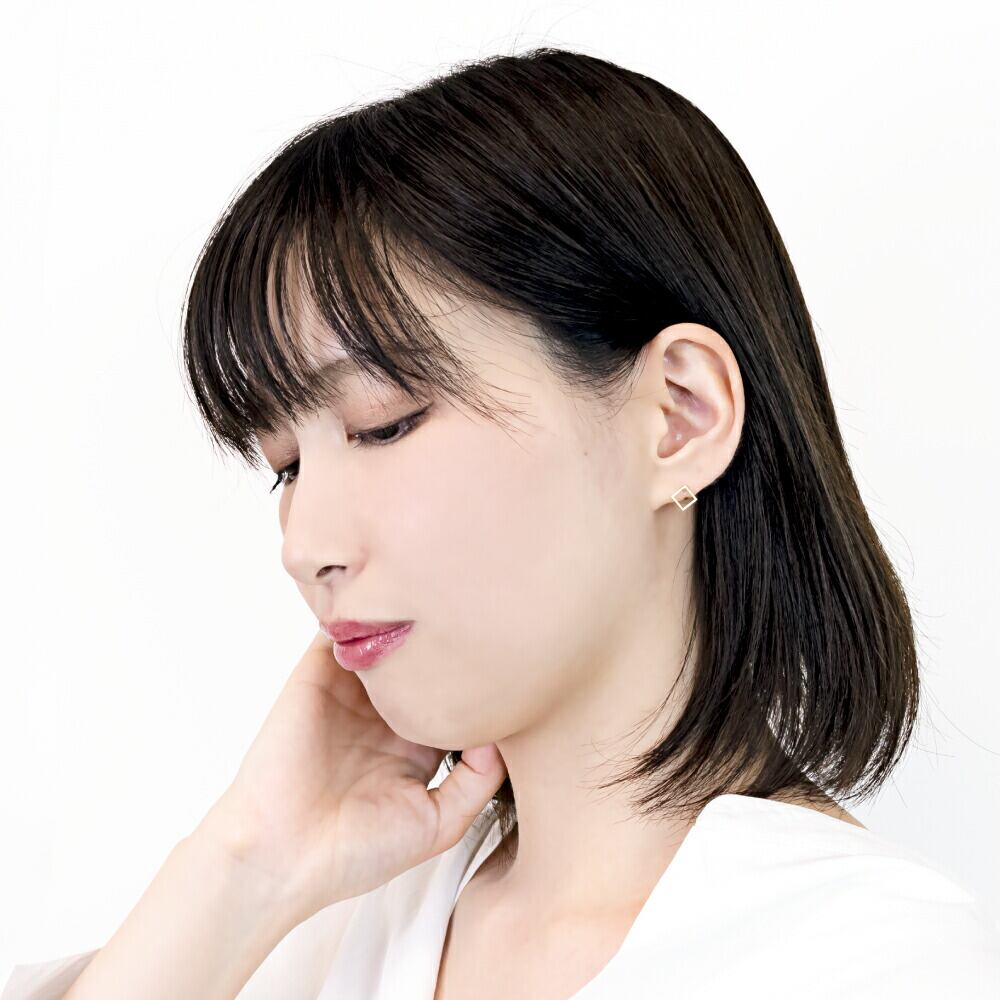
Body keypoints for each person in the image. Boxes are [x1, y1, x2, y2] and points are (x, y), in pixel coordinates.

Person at [4, 46, 999, 1000]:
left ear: (678, 415)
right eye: (286, 470)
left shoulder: (881, 968)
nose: (304, 548)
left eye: (384, 423)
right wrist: (246, 862)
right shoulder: (316, 920)